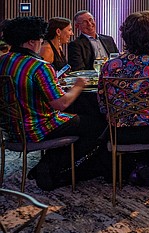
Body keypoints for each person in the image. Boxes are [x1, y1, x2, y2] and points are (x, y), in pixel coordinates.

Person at [0, 16, 105, 190]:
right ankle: (51, 166)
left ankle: (48, 164)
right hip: (38, 128)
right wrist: (78, 86)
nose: (41, 43)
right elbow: (61, 104)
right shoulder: (38, 66)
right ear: (31, 42)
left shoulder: (3, 61)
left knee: (82, 120)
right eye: (40, 40)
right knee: (99, 124)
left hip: (10, 129)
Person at [97, 12, 149, 176]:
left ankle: (125, 168)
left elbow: (102, 104)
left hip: (119, 132)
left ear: (125, 36)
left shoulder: (110, 66)